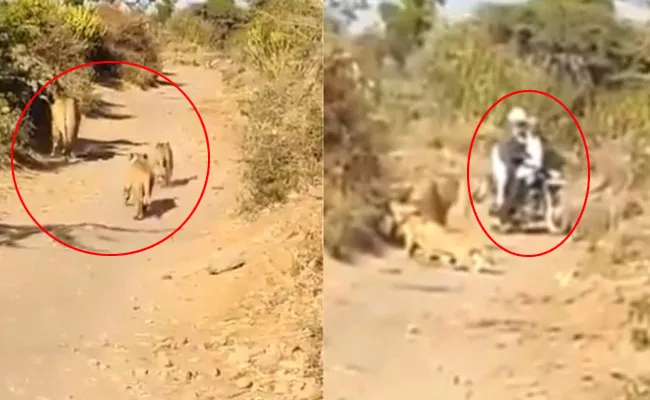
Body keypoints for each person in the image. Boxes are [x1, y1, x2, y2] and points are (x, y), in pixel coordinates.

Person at [489, 107, 534, 222]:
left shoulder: (523, 134)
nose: (521, 127)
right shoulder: (508, 137)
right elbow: (506, 154)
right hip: (501, 157)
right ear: (512, 123)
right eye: (518, 124)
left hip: (512, 157)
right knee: (505, 178)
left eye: (522, 124)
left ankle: (515, 207)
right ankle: (500, 210)